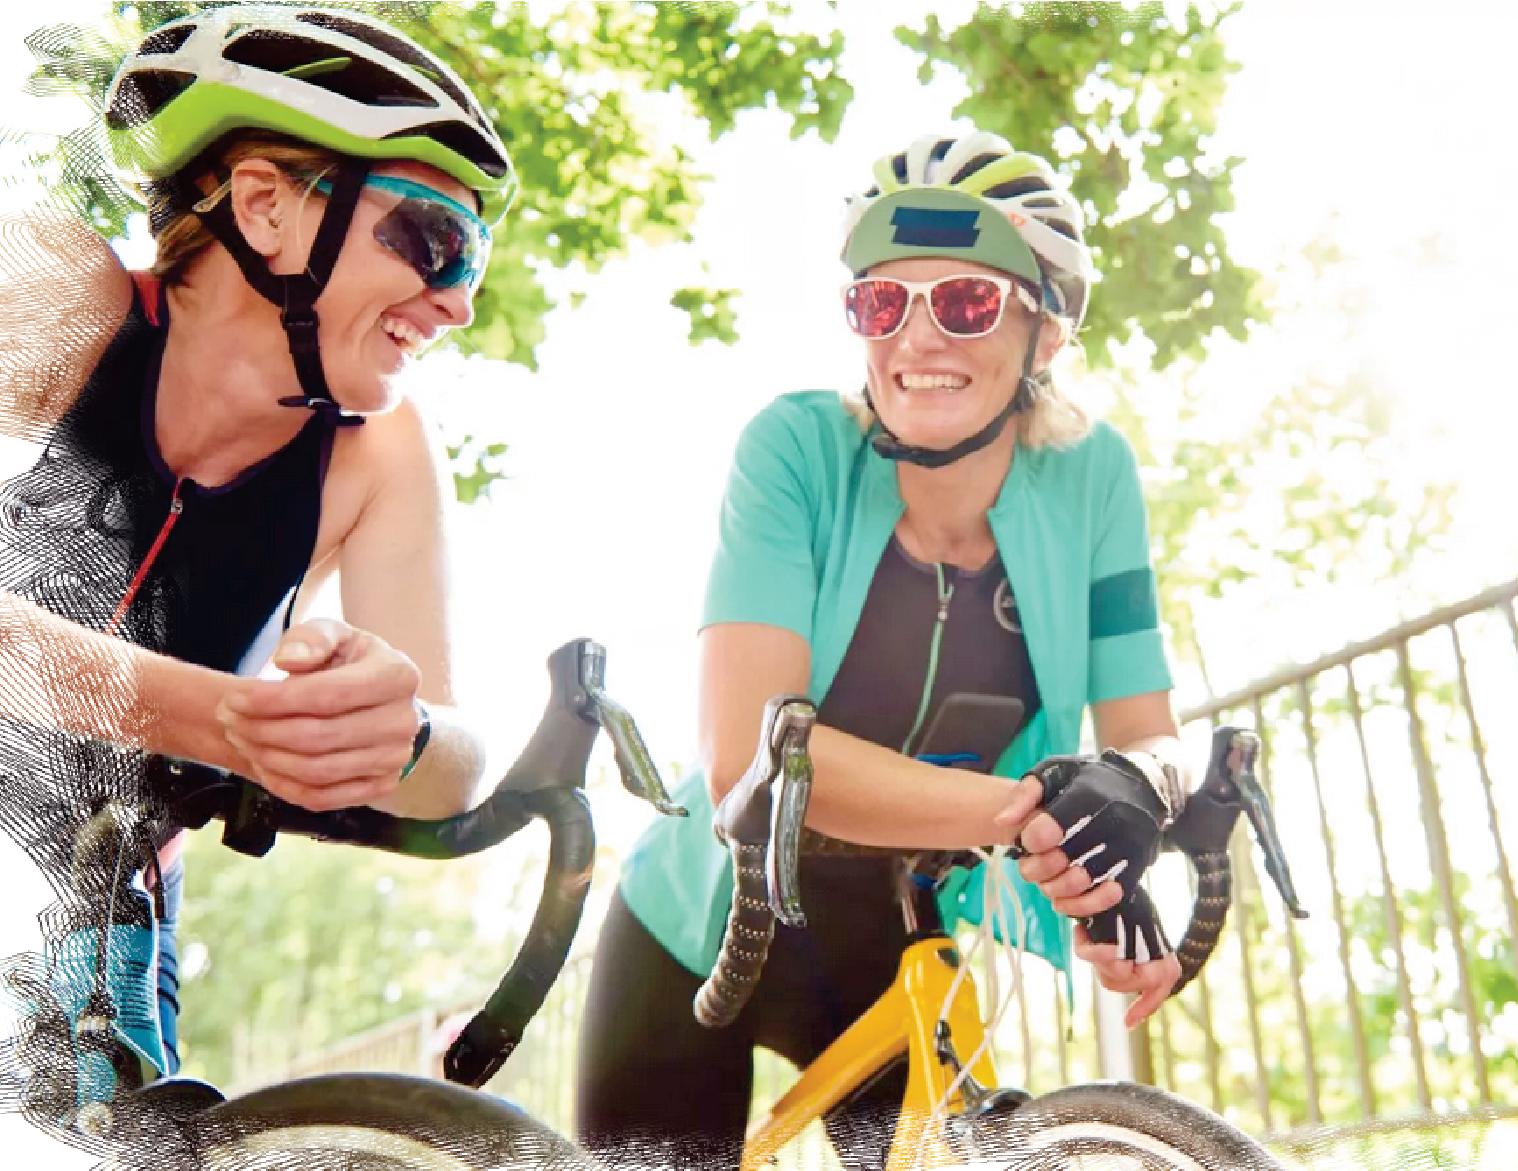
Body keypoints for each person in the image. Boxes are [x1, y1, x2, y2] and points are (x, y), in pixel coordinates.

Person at [576, 131, 1193, 1168]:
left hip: (896, 928)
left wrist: (1125, 810)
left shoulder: (1093, 479)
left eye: (966, 302)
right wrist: (1042, 816)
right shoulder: (794, 448)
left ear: (1045, 332)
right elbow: (747, 761)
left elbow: (1151, 734)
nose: (916, 336)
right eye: (879, 302)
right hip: (707, 917)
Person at [0, 4, 513, 1087]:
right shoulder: (53, 294)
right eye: (435, 241)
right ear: (265, 205)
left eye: (476, 262)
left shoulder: (376, 453)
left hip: (95, 912)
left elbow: (450, 771)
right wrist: (226, 721)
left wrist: (397, 730)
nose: (458, 302)